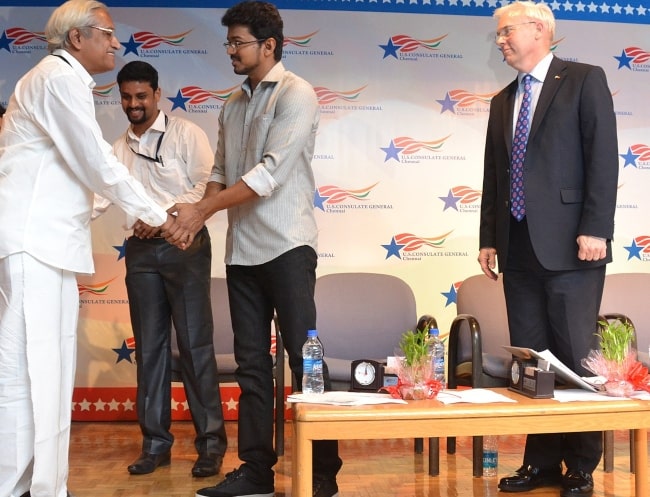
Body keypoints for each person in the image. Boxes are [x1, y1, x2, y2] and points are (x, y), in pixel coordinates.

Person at [165, 2, 342, 496]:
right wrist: (194, 220)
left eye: (238, 43)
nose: (230, 52)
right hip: (242, 253)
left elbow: (267, 174)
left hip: (287, 248)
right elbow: (219, 174)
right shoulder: (231, 105)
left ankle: (322, 470)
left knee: (305, 359)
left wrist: (202, 212)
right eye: (229, 43)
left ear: (268, 45)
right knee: (251, 366)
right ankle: (257, 472)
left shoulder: (296, 94)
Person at [0, 2, 175, 497]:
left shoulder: (59, 80)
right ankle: (32, 487)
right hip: (36, 244)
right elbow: (97, 162)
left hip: (41, 243)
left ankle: (30, 485)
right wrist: (162, 216)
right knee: (32, 375)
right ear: (77, 38)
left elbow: (82, 178)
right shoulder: (58, 78)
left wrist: (152, 212)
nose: (116, 44)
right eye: (107, 34)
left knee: (32, 373)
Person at [478, 2, 618, 497]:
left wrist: (596, 227)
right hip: (518, 250)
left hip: (573, 247)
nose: (500, 40)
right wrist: (488, 238)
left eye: (506, 31)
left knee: (576, 359)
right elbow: (495, 174)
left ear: (539, 30)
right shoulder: (502, 100)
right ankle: (540, 463)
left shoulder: (582, 79)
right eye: (498, 34)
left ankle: (581, 465)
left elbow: (602, 158)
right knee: (533, 364)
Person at [93, 61, 227, 478]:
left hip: (183, 245)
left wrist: (161, 213)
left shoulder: (186, 134)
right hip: (140, 252)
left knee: (194, 347)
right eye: (127, 97)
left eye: (141, 96)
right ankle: (155, 444)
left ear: (157, 94)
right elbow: (99, 199)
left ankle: (210, 445)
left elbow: (207, 185)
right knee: (149, 351)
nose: (134, 104)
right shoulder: (117, 148)